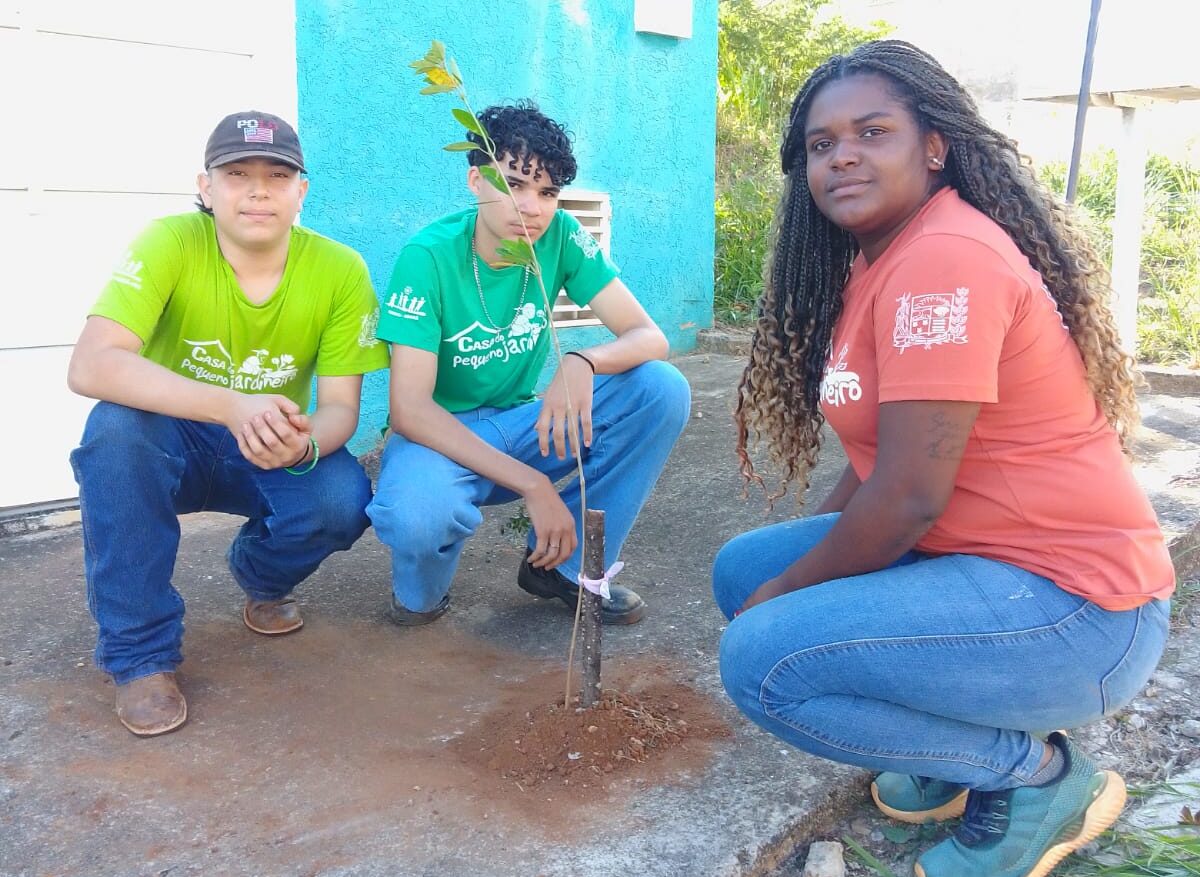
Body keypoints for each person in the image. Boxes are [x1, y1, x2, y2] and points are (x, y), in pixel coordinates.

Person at [713, 41, 1174, 877]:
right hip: (991, 570)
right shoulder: (880, 259)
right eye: (821, 144)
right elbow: (880, 458)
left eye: (872, 132)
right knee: (745, 570)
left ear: (934, 146)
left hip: (1081, 613)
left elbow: (907, 497)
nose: (842, 155)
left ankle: (1035, 776)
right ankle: (953, 749)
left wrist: (789, 598)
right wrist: (794, 582)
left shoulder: (943, 260)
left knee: (761, 658)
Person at [68, 111, 389, 737]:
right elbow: (92, 364)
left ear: (302, 191)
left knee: (341, 498)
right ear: (206, 186)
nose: (258, 191)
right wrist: (231, 405)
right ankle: (140, 657)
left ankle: (261, 577)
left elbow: (340, 410)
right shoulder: (170, 242)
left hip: (267, 442)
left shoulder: (340, 269)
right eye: (237, 174)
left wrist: (303, 445)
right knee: (114, 433)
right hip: (173, 434)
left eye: (278, 176)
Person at [368, 102, 690, 627]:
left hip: (521, 426)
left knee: (660, 390)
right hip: (438, 439)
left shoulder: (561, 235)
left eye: (547, 192)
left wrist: (582, 360)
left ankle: (566, 569)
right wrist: (533, 486)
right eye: (514, 184)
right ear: (476, 180)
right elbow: (409, 411)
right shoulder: (427, 257)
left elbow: (648, 336)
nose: (531, 208)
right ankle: (424, 591)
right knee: (418, 522)